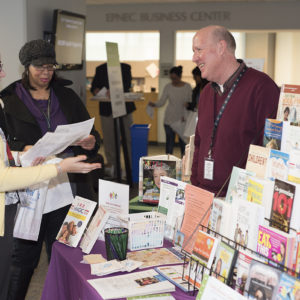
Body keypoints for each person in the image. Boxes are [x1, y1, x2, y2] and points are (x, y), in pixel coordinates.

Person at [0, 39, 101, 300]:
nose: (45, 73)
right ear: (26, 67)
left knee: (67, 252)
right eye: (39, 67)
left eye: (50, 67)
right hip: (29, 191)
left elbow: (89, 132)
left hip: (68, 186)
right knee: (22, 259)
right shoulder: (8, 100)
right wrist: (28, 148)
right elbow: (8, 147)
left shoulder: (66, 95)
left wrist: (91, 141)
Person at [190, 25, 280, 197]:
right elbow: (199, 144)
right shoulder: (207, 92)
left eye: (198, 50)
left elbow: (271, 150)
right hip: (204, 196)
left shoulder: (262, 87)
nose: (194, 58)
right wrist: (195, 185)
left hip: (240, 200)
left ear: (221, 48)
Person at [90, 62, 135, 177]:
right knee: (110, 141)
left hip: (124, 108)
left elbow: (127, 84)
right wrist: (95, 90)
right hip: (107, 109)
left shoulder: (125, 68)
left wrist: (116, 90)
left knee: (128, 139)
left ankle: (130, 168)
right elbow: (94, 86)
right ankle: (114, 168)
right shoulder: (100, 69)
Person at [149, 66, 192, 156]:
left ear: (180, 76)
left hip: (182, 120)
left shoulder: (187, 87)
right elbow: (162, 102)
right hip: (168, 120)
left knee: (183, 145)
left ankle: (184, 167)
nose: (173, 81)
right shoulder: (168, 87)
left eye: (175, 78)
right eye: (171, 78)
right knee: (169, 145)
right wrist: (154, 104)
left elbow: (190, 103)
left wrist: (187, 113)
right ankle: (168, 167)